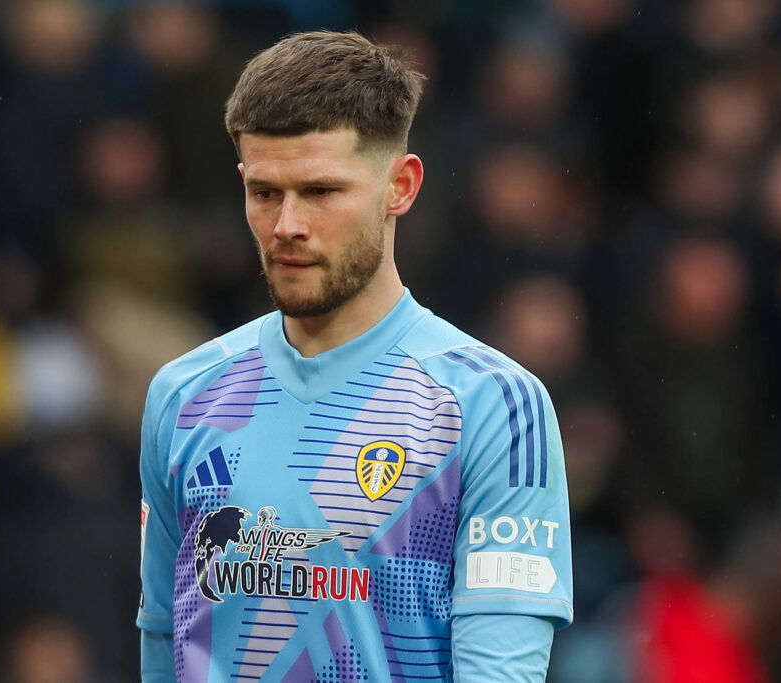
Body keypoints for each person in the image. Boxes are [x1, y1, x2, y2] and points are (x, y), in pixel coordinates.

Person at [138, 30, 573, 682]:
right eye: (265, 192)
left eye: (320, 191)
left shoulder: (492, 405)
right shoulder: (183, 394)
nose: (287, 225)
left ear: (401, 186)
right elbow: (164, 646)